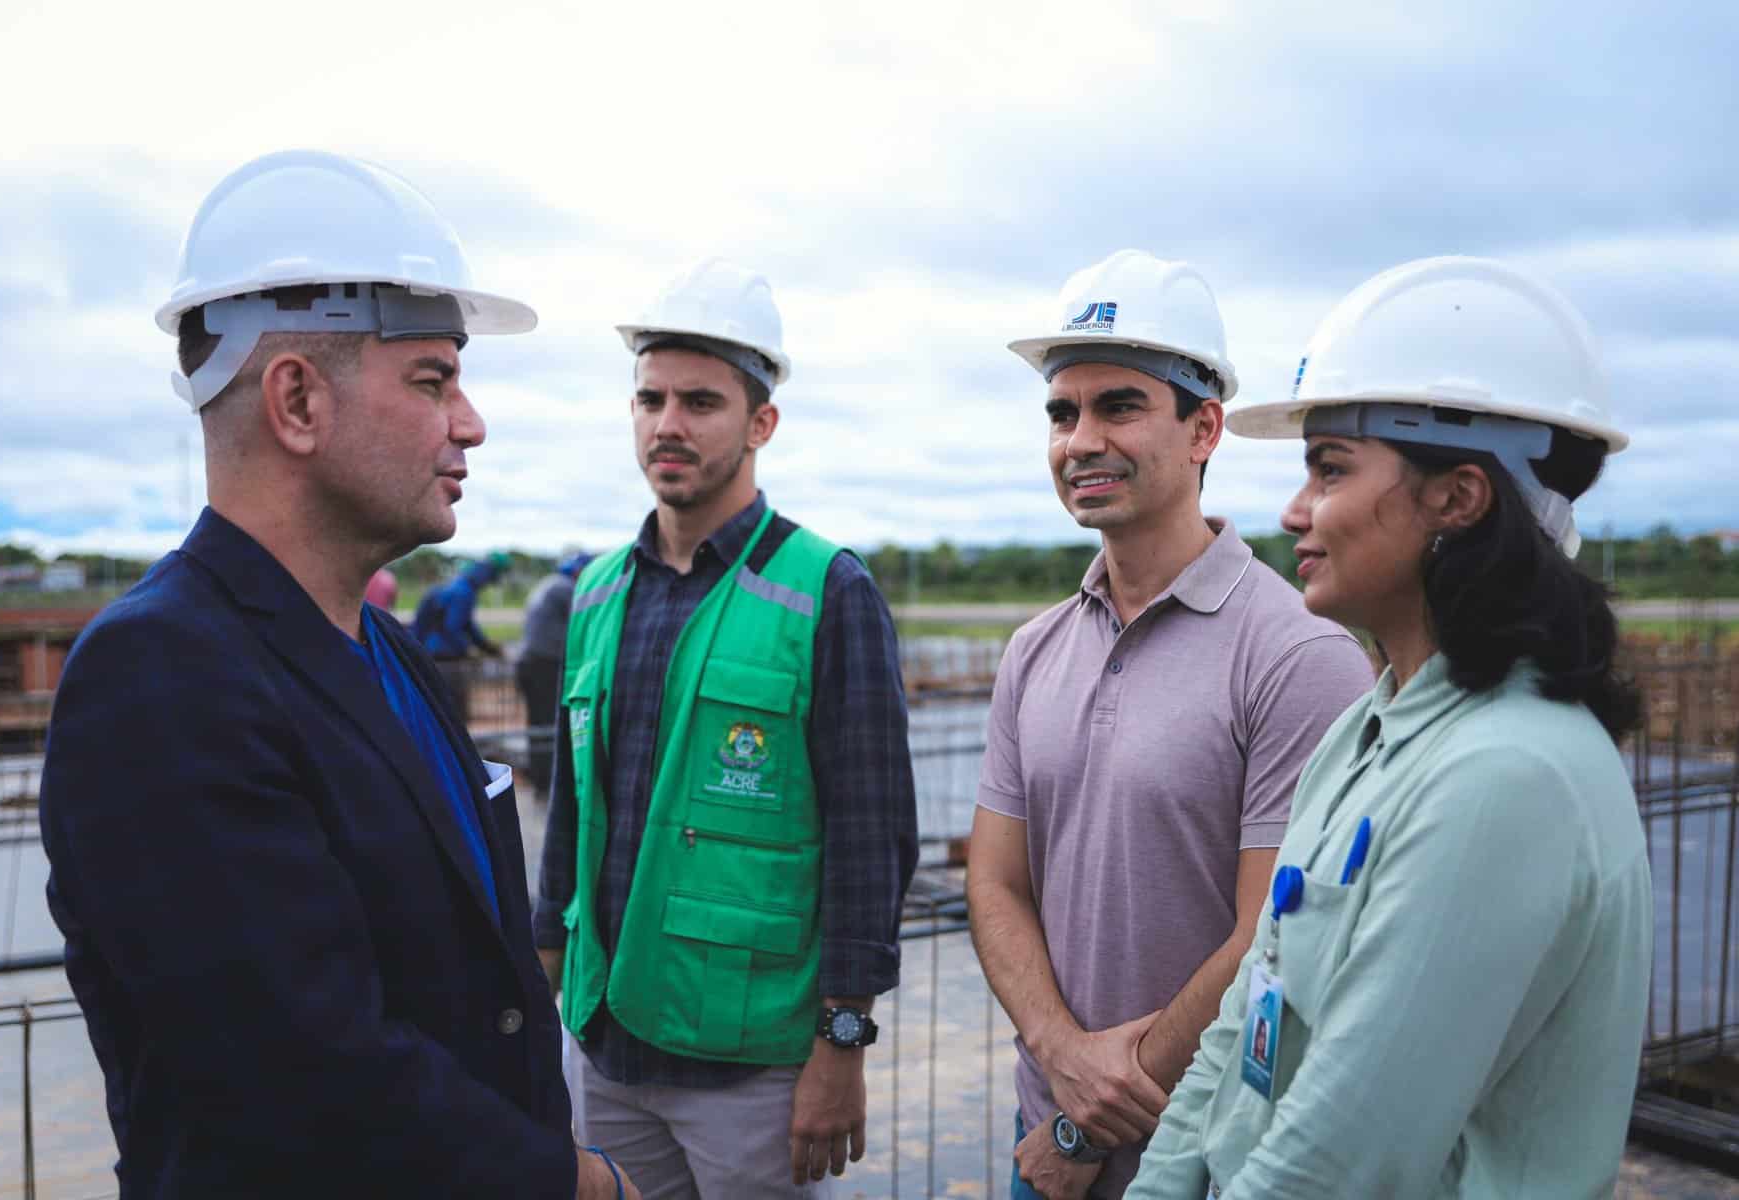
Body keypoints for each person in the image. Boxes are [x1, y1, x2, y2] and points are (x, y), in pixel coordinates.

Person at [38, 150, 634, 1200]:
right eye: (433, 378)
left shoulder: (384, 646)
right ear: (298, 401)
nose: (471, 422)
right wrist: (578, 1186)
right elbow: (304, 1082)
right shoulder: (160, 678)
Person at [1129, 256, 1650, 1198]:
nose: (1294, 510)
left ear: (1458, 495)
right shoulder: (1372, 727)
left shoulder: (1508, 776)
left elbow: (1341, 1160)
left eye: (1329, 470)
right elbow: (1240, 1034)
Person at [968, 250, 1375, 1200]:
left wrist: (1085, 1119)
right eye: (1062, 413)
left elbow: (1271, 932)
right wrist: (1061, 1061)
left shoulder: (1296, 652)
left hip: (1207, 1158)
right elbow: (994, 880)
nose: (1080, 440)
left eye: (1118, 407)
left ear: (1204, 428)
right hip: (1045, 1134)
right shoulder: (1035, 650)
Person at [533, 257, 919, 1199]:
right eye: (650, 398)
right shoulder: (596, 593)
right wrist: (531, 1007)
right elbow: (570, 825)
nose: (668, 423)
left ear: (761, 423)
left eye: (700, 401)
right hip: (605, 1049)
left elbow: (872, 840)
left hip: (749, 1065)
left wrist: (842, 1046)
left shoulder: (827, 589)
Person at [517, 551, 591, 782]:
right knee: (549, 723)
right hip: (545, 664)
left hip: (530, 661)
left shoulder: (549, 584)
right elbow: (585, 624)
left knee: (538, 721)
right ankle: (547, 779)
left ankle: (540, 776)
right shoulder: (566, 589)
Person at [413, 551, 510, 717]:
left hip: (437, 651)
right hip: (442, 654)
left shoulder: (461, 587)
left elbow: (467, 625)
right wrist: (468, 650)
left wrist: (485, 645)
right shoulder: (463, 593)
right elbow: (452, 627)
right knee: (452, 709)